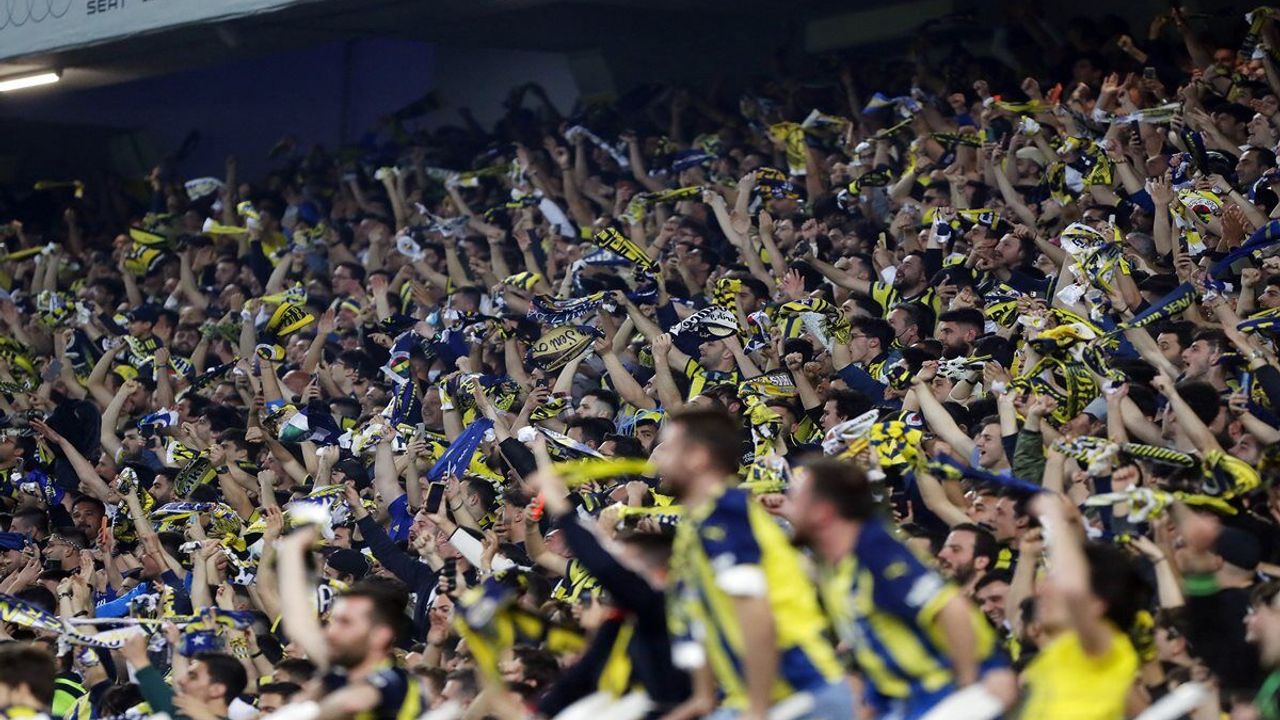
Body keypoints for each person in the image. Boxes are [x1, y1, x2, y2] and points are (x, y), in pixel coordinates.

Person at [652, 407, 852, 720]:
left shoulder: (727, 515)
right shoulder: (695, 526)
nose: (658, 459)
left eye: (669, 449)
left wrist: (757, 709)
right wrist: (703, 698)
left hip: (800, 692)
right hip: (754, 697)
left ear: (698, 457)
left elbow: (756, 613)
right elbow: (697, 619)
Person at [787, 457, 1015, 720]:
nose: (790, 507)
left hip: (942, 693)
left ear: (823, 512)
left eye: (796, 498)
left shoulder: (876, 554)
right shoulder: (837, 565)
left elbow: (952, 610)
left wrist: (968, 690)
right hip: (905, 702)